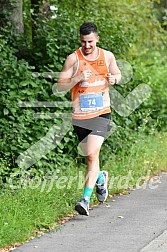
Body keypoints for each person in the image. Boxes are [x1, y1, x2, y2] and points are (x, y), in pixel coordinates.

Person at [57, 22, 121, 216]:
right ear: (80, 39)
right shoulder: (73, 59)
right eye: (84, 42)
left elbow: (118, 74)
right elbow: (59, 87)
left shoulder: (107, 56)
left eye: (91, 42)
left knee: (93, 155)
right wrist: (76, 78)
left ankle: (85, 200)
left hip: (101, 112)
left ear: (97, 39)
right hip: (80, 116)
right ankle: (101, 178)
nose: (87, 46)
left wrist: (114, 79)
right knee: (90, 158)